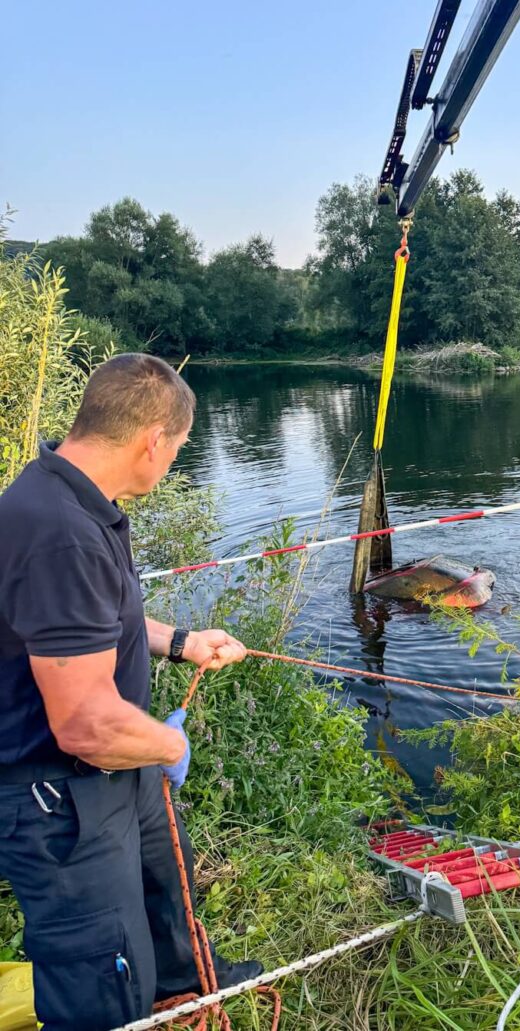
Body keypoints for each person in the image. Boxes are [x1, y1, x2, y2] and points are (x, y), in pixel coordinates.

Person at [0, 354, 262, 1031]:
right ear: (153, 440)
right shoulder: (58, 531)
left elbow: (86, 622)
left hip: (120, 766)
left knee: (162, 894)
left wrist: (181, 641)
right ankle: (128, 1003)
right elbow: (86, 722)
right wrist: (167, 740)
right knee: (101, 971)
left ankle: (184, 984)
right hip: (60, 796)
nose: (172, 460)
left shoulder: (73, 494)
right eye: (176, 447)